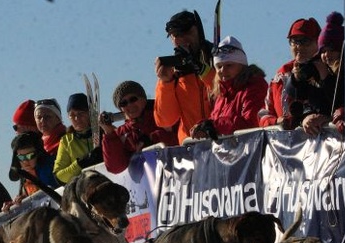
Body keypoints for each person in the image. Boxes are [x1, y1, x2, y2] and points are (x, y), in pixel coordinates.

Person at [153, 10, 215, 144]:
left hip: (221, 139)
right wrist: (166, 82)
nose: (182, 39)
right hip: (190, 146)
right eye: (176, 35)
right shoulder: (172, 71)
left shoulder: (217, 57)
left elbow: (225, 91)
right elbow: (165, 120)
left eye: (186, 32)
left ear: (198, 31)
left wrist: (201, 68)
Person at [190, 36, 268, 139]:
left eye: (229, 65)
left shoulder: (254, 86)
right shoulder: (222, 94)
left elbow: (251, 123)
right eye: (219, 66)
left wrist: (215, 125)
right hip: (226, 152)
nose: (222, 70)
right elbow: (217, 120)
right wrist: (203, 126)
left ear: (242, 65)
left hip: (249, 151)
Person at [99, 81, 177, 174]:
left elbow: (178, 141)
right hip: (148, 185)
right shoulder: (121, 134)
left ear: (143, 100)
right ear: (121, 110)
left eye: (133, 99)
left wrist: (153, 141)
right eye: (123, 103)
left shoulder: (162, 117)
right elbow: (115, 167)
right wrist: (109, 133)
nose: (129, 105)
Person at [258, 18, 321, 129]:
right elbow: (263, 115)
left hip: (320, 142)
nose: (299, 46)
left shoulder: (327, 72)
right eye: (294, 41)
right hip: (283, 144)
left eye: (305, 41)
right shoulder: (281, 76)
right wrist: (276, 121)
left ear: (318, 43)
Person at [2, 132, 58, 212]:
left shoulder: (49, 169)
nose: (25, 161)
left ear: (39, 153)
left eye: (30, 156)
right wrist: (15, 205)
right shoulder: (25, 177)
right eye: (21, 157)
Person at [53, 93, 102, 184]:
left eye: (81, 113)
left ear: (89, 113)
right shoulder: (66, 141)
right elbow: (59, 176)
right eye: (72, 115)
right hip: (86, 190)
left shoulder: (104, 132)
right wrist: (81, 163)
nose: (76, 118)